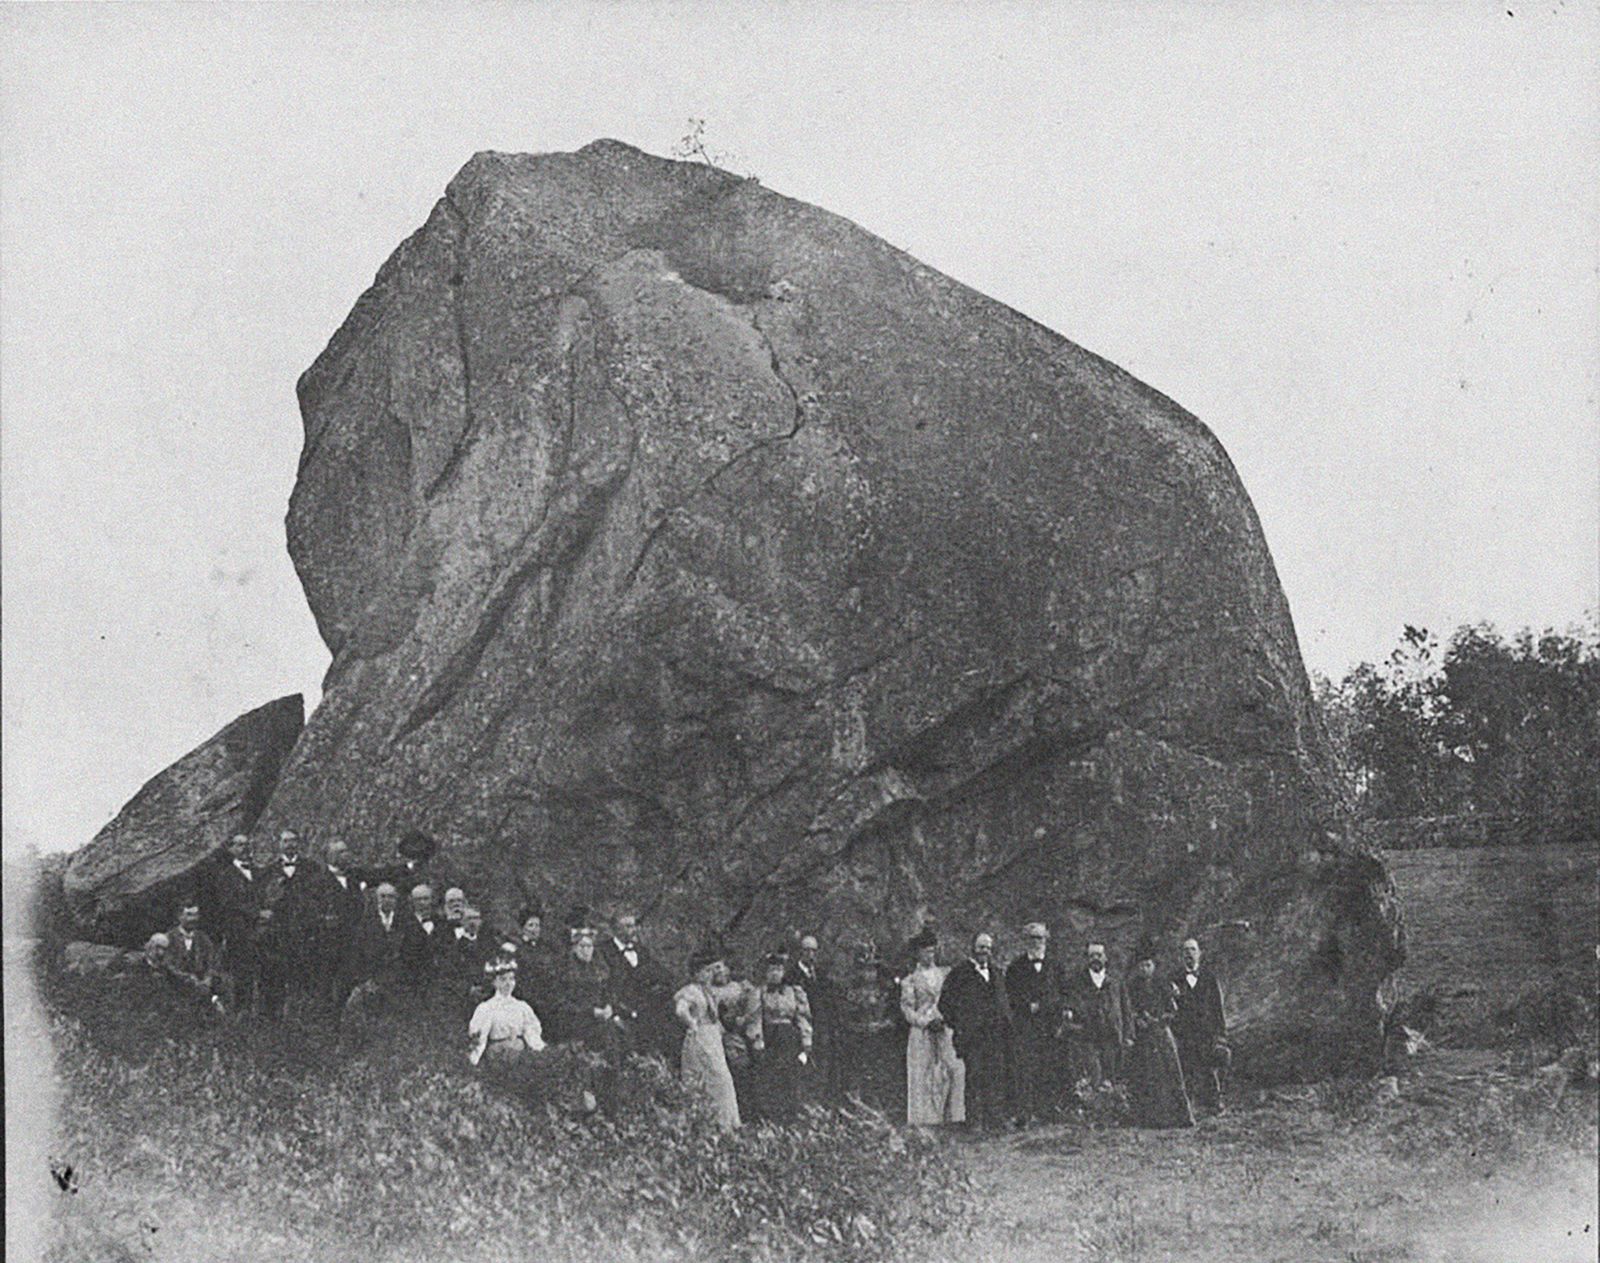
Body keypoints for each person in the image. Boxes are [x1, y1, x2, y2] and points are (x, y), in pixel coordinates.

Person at [940, 931, 1012, 1130]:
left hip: (995, 1035)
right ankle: (975, 1121)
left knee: (995, 1076)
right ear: (973, 948)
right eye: (981, 947)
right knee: (975, 1077)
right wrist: (961, 1024)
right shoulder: (959, 973)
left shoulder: (997, 973)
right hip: (972, 1036)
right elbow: (945, 1003)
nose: (985, 952)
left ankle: (995, 1118)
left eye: (988, 948)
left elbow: (1004, 1002)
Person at [1120, 937, 1194, 1129]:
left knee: (1171, 1073)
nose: (1145, 968)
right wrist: (1139, 1019)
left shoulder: (1163, 983)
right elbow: (1129, 1010)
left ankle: (1180, 1117)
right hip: (1144, 1036)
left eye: (1148, 965)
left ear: (1153, 965)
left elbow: (1173, 1010)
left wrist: (1159, 1019)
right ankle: (1150, 1118)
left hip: (1162, 1033)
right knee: (1146, 1075)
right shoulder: (1133, 986)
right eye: (1142, 965)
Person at [900, 927, 964, 1127]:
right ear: (918, 953)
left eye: (932, 950)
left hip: (944, 1027)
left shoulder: (945, 974)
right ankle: (925, 1120)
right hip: (922, 1031)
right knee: (922, 1072)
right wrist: (925, 1022)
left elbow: (953, 999)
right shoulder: (910, 980)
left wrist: (944, 1018)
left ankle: (955, 1116)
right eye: (925, 951)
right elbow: (907, 1009)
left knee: (954, 1068)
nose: (930, 954)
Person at [675, 946, 741, 1131]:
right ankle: (704, 1124)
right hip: (700, 1038)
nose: (709, 975)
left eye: (710, 971)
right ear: (696, 973)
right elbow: (680, 1009)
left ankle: (725, 1125)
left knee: (721, 1080)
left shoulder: (708, 991)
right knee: (710, 1079)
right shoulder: (691, 991)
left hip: (713, 1039)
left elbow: (731, 994)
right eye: (705, 971)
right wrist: (692, 1023)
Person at [1005, 922, 1067, 1122]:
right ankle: (1025, 1112)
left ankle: (1047, 1111)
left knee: (1049, 1068)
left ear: (1046, 940)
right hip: (1026, 1027)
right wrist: (1025, 1006)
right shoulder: (1015, 967)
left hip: (1049, 1026)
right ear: (1026, 941)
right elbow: (1009, 997)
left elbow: (1064, 995)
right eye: (1032, 938)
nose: (1036, 942)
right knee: (1025, 1069)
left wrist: (1056, 1016)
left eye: (1040, 938)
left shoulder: (1056, 966)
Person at [600, 910, 676, 1061]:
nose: (633, 930)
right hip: (620, 1008)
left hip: (646, 1009)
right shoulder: (603, 950)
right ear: (616, 929)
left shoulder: (641, 950)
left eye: (633, 926)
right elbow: (603, 983)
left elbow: (663, 974)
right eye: (627, 926)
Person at [747, 951, 814, 1122]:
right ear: (765, 973)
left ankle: (791, 1115)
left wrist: (806, 1041)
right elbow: (755, 1019)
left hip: (790, 1037)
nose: (775, 974)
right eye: (771, 970)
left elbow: (802, 1017)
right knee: (770, 1076)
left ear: (783, 972)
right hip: (770, 1037)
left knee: (791, 1075)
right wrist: (757, 1042)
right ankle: (770, 1117)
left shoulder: (794, 992)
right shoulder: (759, 993)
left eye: (778, 970)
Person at [835, 938, 900, 1109]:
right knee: (856, 1071)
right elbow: (844, 1018)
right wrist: (861, 1027)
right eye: (865, 970)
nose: (869, 975)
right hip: (858, 1039)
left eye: (872, 970)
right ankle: (855, 1105)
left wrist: (884, 1024)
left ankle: (879, 1105)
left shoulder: (884, 991)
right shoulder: (852, 993)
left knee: (878, 1072)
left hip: (879, 1038)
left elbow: (893, 1015)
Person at [206, 832, 266, 1014]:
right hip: (239, 931)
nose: (244, 848)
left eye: (247, 844)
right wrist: (257, 913)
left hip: (262, 931)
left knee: (265, 971)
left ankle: (265, 1014)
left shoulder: (259, 872)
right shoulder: (225, 875)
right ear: (231, 849)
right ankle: (242, 1013)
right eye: (239, 845)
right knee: (242, 974)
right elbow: (229, 903)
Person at [551, 907, 623, 1057]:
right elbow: (561, 1003)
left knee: (617, 1033)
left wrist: (609, 1006)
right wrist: (590, 1011)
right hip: (575, 1020)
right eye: (582, 946)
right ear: (574, 948)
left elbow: (607, 993)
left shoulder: (599, 969)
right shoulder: (565, 971)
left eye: (590, 946)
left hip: (600, 1018)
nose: (587, 950)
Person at [1170, 937, 1228, 1115]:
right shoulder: (1174, 979)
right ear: (1181, 956)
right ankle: (1188, 1107)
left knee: (1209, 1068)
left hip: (1206, 1032)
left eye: (1193, 950)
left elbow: (1217, 1008)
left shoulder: (1209, 978)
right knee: (1186, 1069)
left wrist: (1220, 1034)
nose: (1189, 954)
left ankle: (1214, 1102)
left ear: (1199, 953)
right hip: (1184, 1033)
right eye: (1186, 951)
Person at [1064, 942, 1128, 1088]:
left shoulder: (1116, 981)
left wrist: (1128, 1034)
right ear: (1086, 959)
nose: (1095, 959)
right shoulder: (1077, 982)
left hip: (1112, 1035)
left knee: (1112, 1077)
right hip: (1088, 1036)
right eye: (1091, 955)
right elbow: (1070, 1003)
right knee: (1093, 1076)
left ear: (1105, 957)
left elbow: (1125, 1008)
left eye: (1099, 955)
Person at [467, 957, 545, 1066]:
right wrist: (473, 1061)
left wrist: (540, 1053)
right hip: (498, 1057)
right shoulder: (487, 1008)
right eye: (503, 979)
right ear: (494, 982)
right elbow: (479, 1040)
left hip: (520, 1057)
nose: (508, 984)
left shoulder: (522, 1007)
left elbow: (532, 1034)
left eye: (511, 979)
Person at [785, 933, 835, 1104]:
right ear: (800, 952)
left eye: (813, 951)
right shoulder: (791, 975)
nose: (810, 955)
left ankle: (818, 1103)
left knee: (821, 1066)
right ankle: (802, 1103)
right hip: (801, 1028)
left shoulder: (821, 975)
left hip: (821, 1028)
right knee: (803, 1065)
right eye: (806, 951)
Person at [166, 902, 224, 1012]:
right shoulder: (170, 937)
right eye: (189, 915)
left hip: (202, 984)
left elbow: (212, 961)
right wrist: (188, 978)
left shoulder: (203, 938)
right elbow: (168, 965)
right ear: (179, 916)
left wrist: (208, 978)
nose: (193, 919)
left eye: (195, 915)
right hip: (178, 984)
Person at [401, 883, 444, 991]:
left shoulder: (441, 923)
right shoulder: (404, 925)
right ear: (412, 902)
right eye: (418, 900)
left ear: (432, 900)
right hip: (414, 983)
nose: (422, 903)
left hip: (439, 982)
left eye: (426, 899)